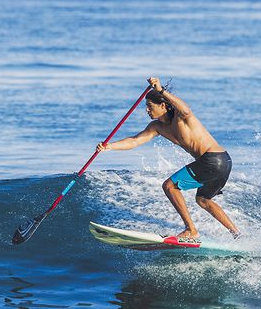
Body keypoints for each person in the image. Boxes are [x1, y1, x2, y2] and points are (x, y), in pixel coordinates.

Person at [96, 77, 240, 241]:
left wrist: (161, 91)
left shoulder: (180, 117)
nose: (147, 111)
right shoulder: (157, 127)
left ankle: (191, 230)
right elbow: (135, 141)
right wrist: (109, 146)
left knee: (169, 186)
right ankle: (237, 234)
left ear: (163, 105)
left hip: (212, 159)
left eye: (150, 106)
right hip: (225, 162)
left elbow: (186, 110)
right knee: (203, 199)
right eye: (146, 107)